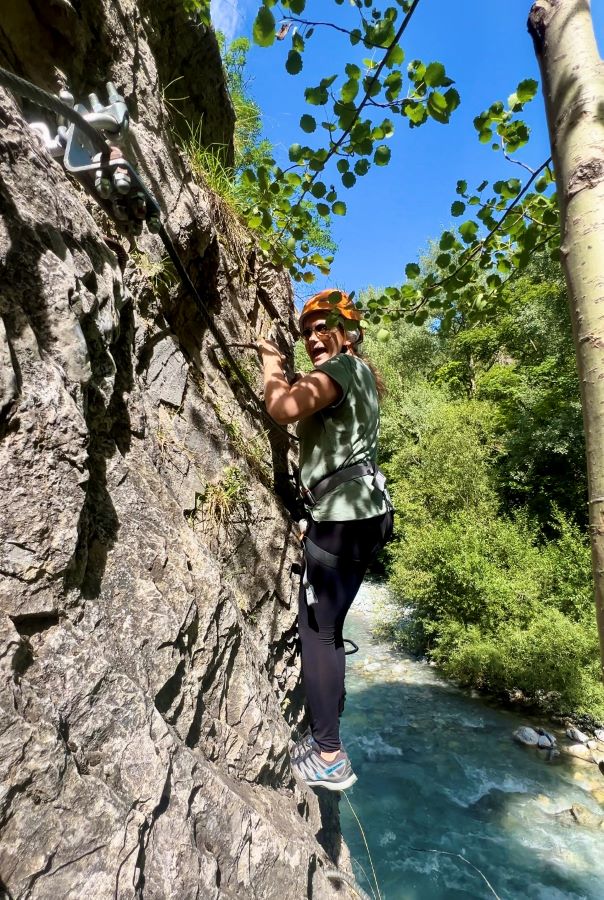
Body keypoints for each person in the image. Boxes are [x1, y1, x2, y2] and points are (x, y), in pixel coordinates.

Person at [258, 289, 393, 791]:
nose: (313, 338)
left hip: (342, 518)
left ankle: (329, 753)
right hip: (363, 513)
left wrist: (274, 365)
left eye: (323, 327)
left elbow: (283, 408)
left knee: (316, 627)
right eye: (306, 331)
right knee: (330, 626)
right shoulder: (358, 377)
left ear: (347, 332)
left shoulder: (340, 370)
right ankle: (331, 717)